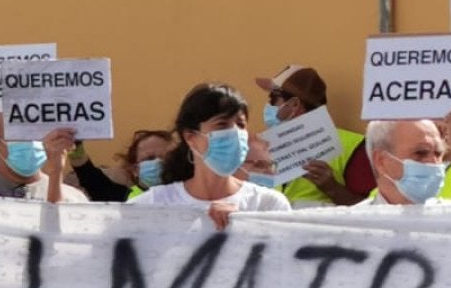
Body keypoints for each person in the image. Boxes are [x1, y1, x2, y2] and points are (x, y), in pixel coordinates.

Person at [139, 83, 292, 226]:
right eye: (222, 124)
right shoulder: (152, 205)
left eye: (240, 125)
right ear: (190, 137)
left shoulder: (268, 204)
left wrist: (244, 224)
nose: (235, 133)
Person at [255, 64, 374, 207]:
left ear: (294, 104)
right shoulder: (263, 146)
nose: (268, 106)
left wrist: (332, 188)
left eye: (273, 100)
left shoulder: (353, 146)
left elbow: (374, 211)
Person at [367, 106, 451, 205]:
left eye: (438, 153)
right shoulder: (352, 225)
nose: (434, 162)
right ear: (382, 162)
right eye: (420, 153)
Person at [120, 129, 173, 198]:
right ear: (135, 169)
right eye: (150, 158)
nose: (159, 162)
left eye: (167, 158)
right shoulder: (130, 201)